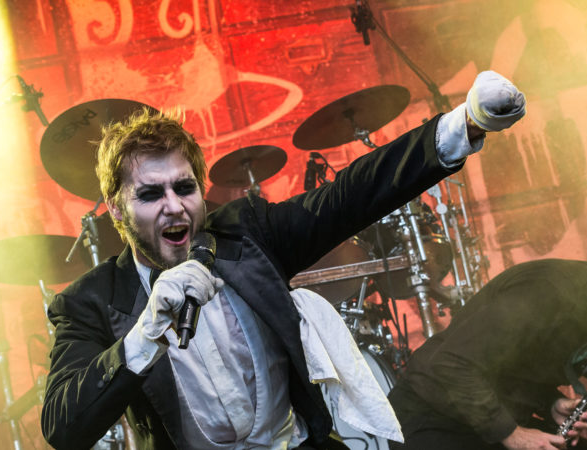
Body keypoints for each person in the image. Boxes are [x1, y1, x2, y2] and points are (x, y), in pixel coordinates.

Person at [40, 71, 526, 449]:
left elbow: (348, 198)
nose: (174, 207)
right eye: (150, 194)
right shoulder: (89, 302)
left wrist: (464, 124)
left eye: (184, 188)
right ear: (117, 210)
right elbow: (64, 427)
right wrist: (144, 335)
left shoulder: (247, 233)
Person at [387, 253, 587, 450]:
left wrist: (549, 402)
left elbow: (508, 369)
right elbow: (452, 364)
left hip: (483, 422)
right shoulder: (547, 291)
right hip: (431, 419)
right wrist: (513, 435)